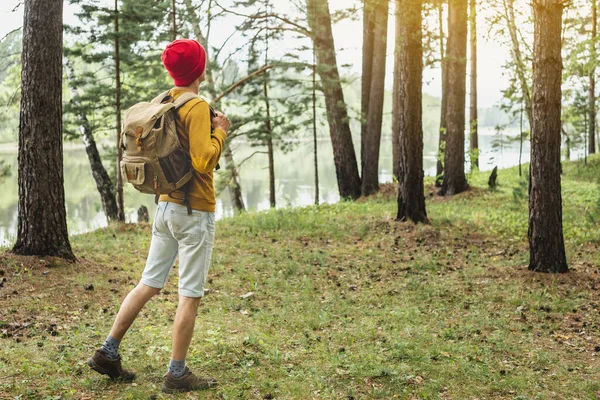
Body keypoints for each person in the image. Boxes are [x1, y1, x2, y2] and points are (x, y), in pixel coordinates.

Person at [86, 39, 230, 394]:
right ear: (201, 69)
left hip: (164, 207)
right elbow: (203, 161)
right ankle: (176, 373)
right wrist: (221, 131)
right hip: (194, 211)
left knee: (148, 284)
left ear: (172, 71)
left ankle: (108, 351)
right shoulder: (196, 106)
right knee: (189, 294)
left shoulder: (163, 101)